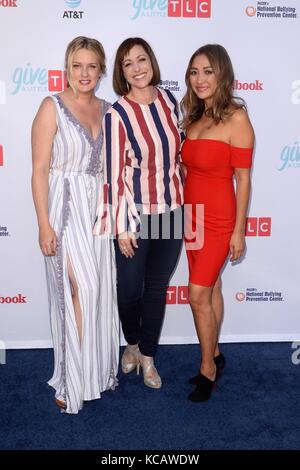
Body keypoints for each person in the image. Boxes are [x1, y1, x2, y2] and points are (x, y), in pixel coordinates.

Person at [31, 36, 119, 414]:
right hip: (64, 210)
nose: (84, 73)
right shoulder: (51, 107)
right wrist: (43, 225)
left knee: (96, 292)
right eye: (77, 65)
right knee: (75, 292)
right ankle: (71, 379)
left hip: (97, 210)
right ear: (68, 68)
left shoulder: (109, 109)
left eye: (92, 66)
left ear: (101, 70)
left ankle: (94, 373)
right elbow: (38, 171)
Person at [94, 37, 184, 389]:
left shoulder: (168, 100)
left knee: (157, 288)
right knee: (129, 288)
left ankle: (148, 356)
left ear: (152, 62)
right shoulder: (117, 115)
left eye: (142, 59)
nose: (137, 67)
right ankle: (130, 344)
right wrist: (122, 227)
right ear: (121, 72)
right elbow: (113, 175)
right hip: (136, 217)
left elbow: (177, 156)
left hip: (173, 211)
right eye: (128, 63)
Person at [181, 44, 254, 402]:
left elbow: (244, 179)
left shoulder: (236, 118)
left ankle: (207, 368)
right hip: (190, 218)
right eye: (194, 72)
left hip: (219, 220)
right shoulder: (193, 117)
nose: (200, 79)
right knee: (211, 289)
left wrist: (239, 230)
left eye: (208, 71)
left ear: (222, 73)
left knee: (196, 295)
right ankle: (217, 353)